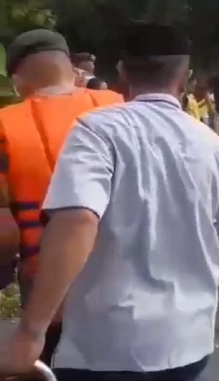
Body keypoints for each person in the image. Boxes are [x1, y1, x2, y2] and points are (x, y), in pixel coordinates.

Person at [0, 22, 219, 381]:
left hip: (105, 344)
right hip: (189, 343)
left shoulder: (93, 129)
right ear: (185, 79)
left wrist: (30, 331)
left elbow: (75, 222)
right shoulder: (209, 142)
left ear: (120, 73)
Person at [0, 29, 123, 367]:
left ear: (18, 81)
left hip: (51, 295)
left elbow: (4, 232)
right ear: (72, 70)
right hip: (133, 290)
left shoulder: (6, 125)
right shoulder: (120, 106)